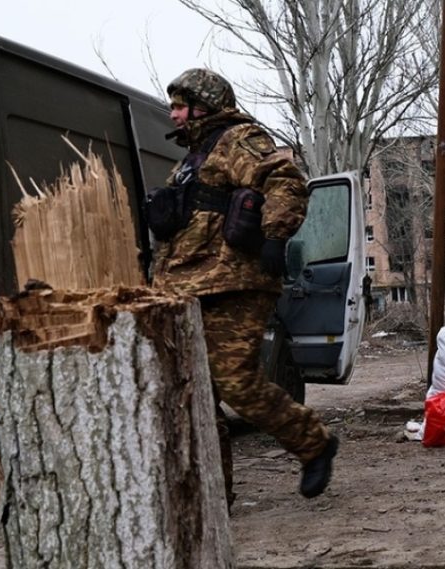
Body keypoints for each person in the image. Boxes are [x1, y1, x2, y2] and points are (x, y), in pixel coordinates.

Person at [152, 68, 337, 499]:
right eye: (173, 108)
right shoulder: (190, 161)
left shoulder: (237, 140)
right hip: (189, 287)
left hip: (235, 284)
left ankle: (314, 443)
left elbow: (285, 181)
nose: (174, 116)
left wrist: (275, 235)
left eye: (180, 107)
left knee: (236, 382)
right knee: (197, 395)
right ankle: (214, 497)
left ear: (204, 106)